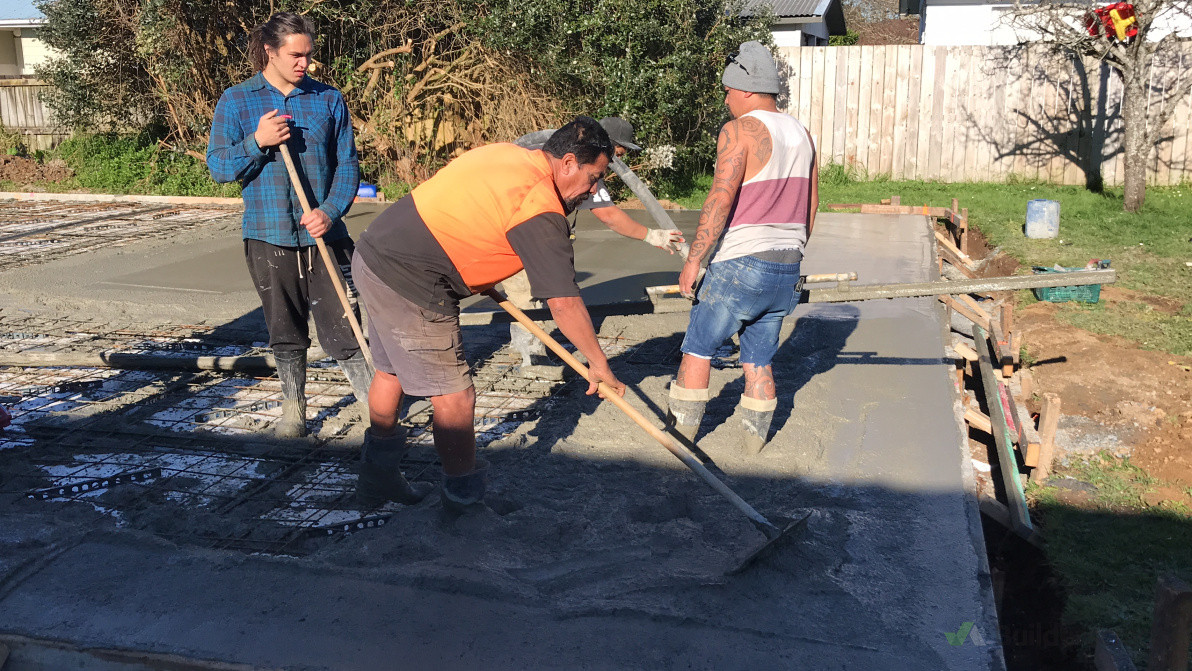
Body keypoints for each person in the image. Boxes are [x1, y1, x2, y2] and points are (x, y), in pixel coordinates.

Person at [351, 116, 628, 511]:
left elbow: (469, 210)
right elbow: (564, 301)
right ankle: (462, 499)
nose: (593, 189)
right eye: (592, 177)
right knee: (455, 396)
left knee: (390, 371)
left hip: (375, 252)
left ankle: (376, 479)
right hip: (413, 278)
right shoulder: (540, 207)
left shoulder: (509, 154)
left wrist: (479, 267)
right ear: (568, 163)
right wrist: (598, 363)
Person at [207, 12, 368, 439]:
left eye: (309, 56)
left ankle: (375, 408)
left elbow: (348, 167)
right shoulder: (237, 101)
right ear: (270, 51)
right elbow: (219, 167)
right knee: (285, 329)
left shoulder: (327, 99)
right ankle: (294, 409)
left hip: (325, 237)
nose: (305, 64)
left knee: (346, 326)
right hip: (268, 235)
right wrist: (256, 142)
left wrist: (329, 211)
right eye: (296, 55)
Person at [669, 41, 819, 455]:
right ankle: (753, 444)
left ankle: (682, 440)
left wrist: (695, 260)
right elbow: (812, 205)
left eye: (728, 91)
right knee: (758, 359)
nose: (725, 99)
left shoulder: (740, 130)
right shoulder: (803, 134)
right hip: (786, 265)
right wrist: (793, 251)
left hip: (741, 261)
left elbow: (721, 197)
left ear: (748, 90)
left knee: (698, 349)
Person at [504, 118, 684, 370]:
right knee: (527, 291)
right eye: (618, 152)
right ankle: (532, 359)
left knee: (536, 291)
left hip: (529, 224)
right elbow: (609, 215)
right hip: (519, 224)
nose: (617, 160)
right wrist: (651, 235)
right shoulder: (577, 165)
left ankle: (528, 346)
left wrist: (651, 235)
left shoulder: (581, 164)